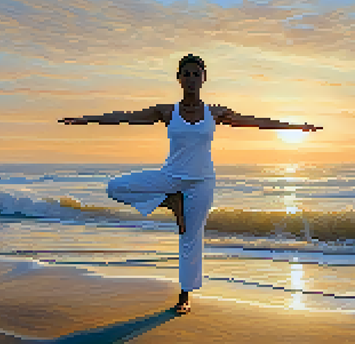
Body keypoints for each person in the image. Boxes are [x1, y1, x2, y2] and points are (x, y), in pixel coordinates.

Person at [59, 54, 322, 314]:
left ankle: (184, 296)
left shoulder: (215, 112)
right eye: (187, 74)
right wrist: (84, 119)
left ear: (204, 79)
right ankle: (171, 202)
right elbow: (125, 116)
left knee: (190, 238)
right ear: (179, 79)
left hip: (202, 182)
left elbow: (258, 122)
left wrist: (297, 127)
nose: (192, 78)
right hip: (171, 176)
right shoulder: (167, 111)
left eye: (197, 74)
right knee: (115, 187)